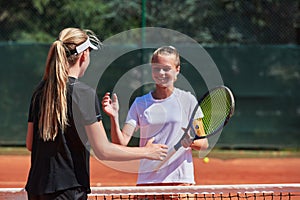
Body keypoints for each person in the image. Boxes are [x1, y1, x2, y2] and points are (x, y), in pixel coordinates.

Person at [25, 28, 168, 200]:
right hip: (69, 190)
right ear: (84, 55)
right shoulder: (83, 94)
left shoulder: (40, 92)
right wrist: (147, 152)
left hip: (36, 189)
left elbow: (31, 144)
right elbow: (103, 151)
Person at [102, 46, 209, 187]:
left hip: (180, 182)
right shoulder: (140, 103)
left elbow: (204, 144)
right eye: (156, 68)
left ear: (177, 70)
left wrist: (190, 142)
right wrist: (113, 118)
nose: (161, 73)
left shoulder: (188, 100)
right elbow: (121, 143)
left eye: (166, 68)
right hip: (147, 183)